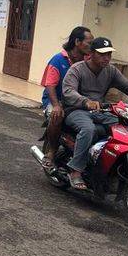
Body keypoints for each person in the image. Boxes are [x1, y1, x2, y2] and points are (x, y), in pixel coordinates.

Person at [62, 37, 128, 190]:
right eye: (102, 54)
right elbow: (68, 92)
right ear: (91, 53)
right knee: (88, 129)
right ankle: (76, 171)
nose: (107, 58)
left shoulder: (110, 70)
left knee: (126, 127)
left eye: (109, 54)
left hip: (100, 111)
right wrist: (86, 102)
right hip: (77, 110)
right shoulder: (77, 69)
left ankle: (113, 166)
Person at [39, 26, 93, 169]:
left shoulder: (88, 60)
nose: (91, 46)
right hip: (56, 99)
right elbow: (50, 85)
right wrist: (56, 105)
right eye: (89, 42)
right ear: (77, 42)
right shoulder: (58, 59)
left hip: (76, 101)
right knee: (56, 116)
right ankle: (52, 150)